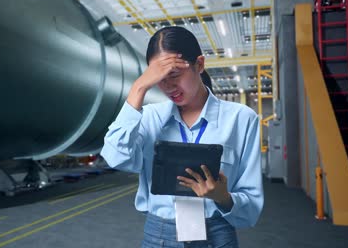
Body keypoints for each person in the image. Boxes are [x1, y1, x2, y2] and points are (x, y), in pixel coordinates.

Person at [100, 26, 263, 248]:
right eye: (159, 79)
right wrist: (138, 88)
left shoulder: (241, 119)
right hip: (160, 236)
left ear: (199, 64)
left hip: (217, 233)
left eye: (174, 75)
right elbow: (115, 157)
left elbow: (252, 206)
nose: (168, 86)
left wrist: (223, 197)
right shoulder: (149, 118)